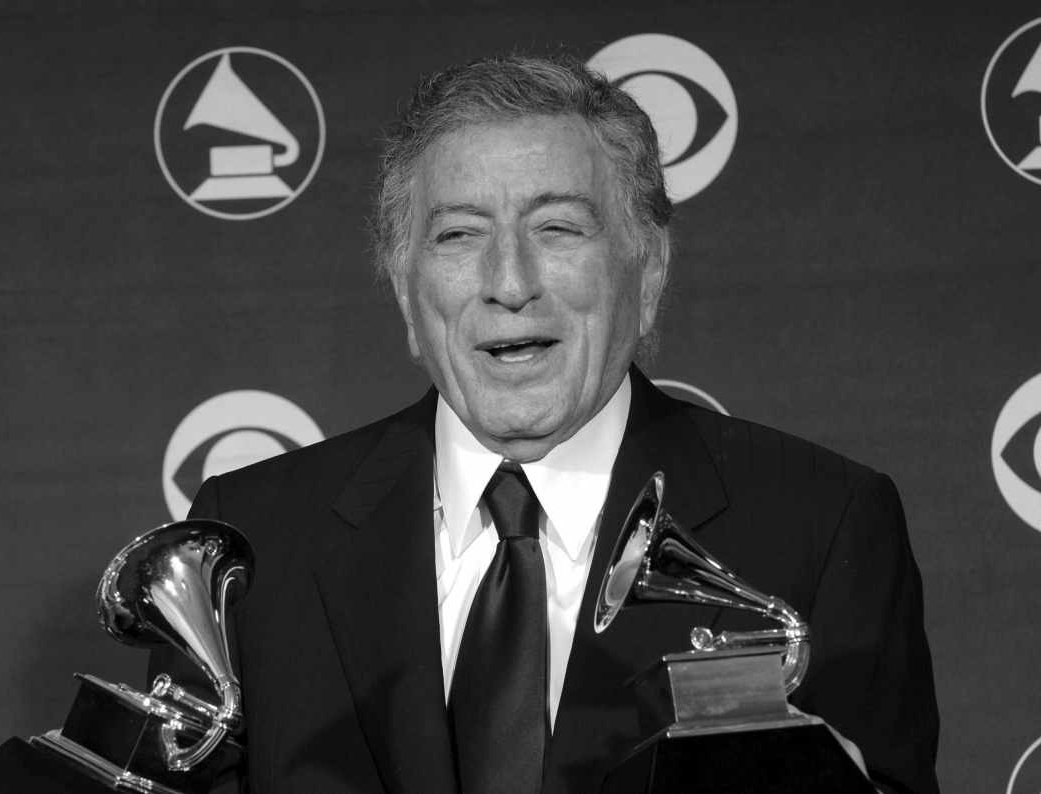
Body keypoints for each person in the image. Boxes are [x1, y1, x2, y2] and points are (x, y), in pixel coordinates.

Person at [150, 53, 939, 794]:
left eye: (557, 228)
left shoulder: (819, 526)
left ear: (649, 270)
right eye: (459, 234)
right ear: (404, 289)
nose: (509, 282)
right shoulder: (250, 544)